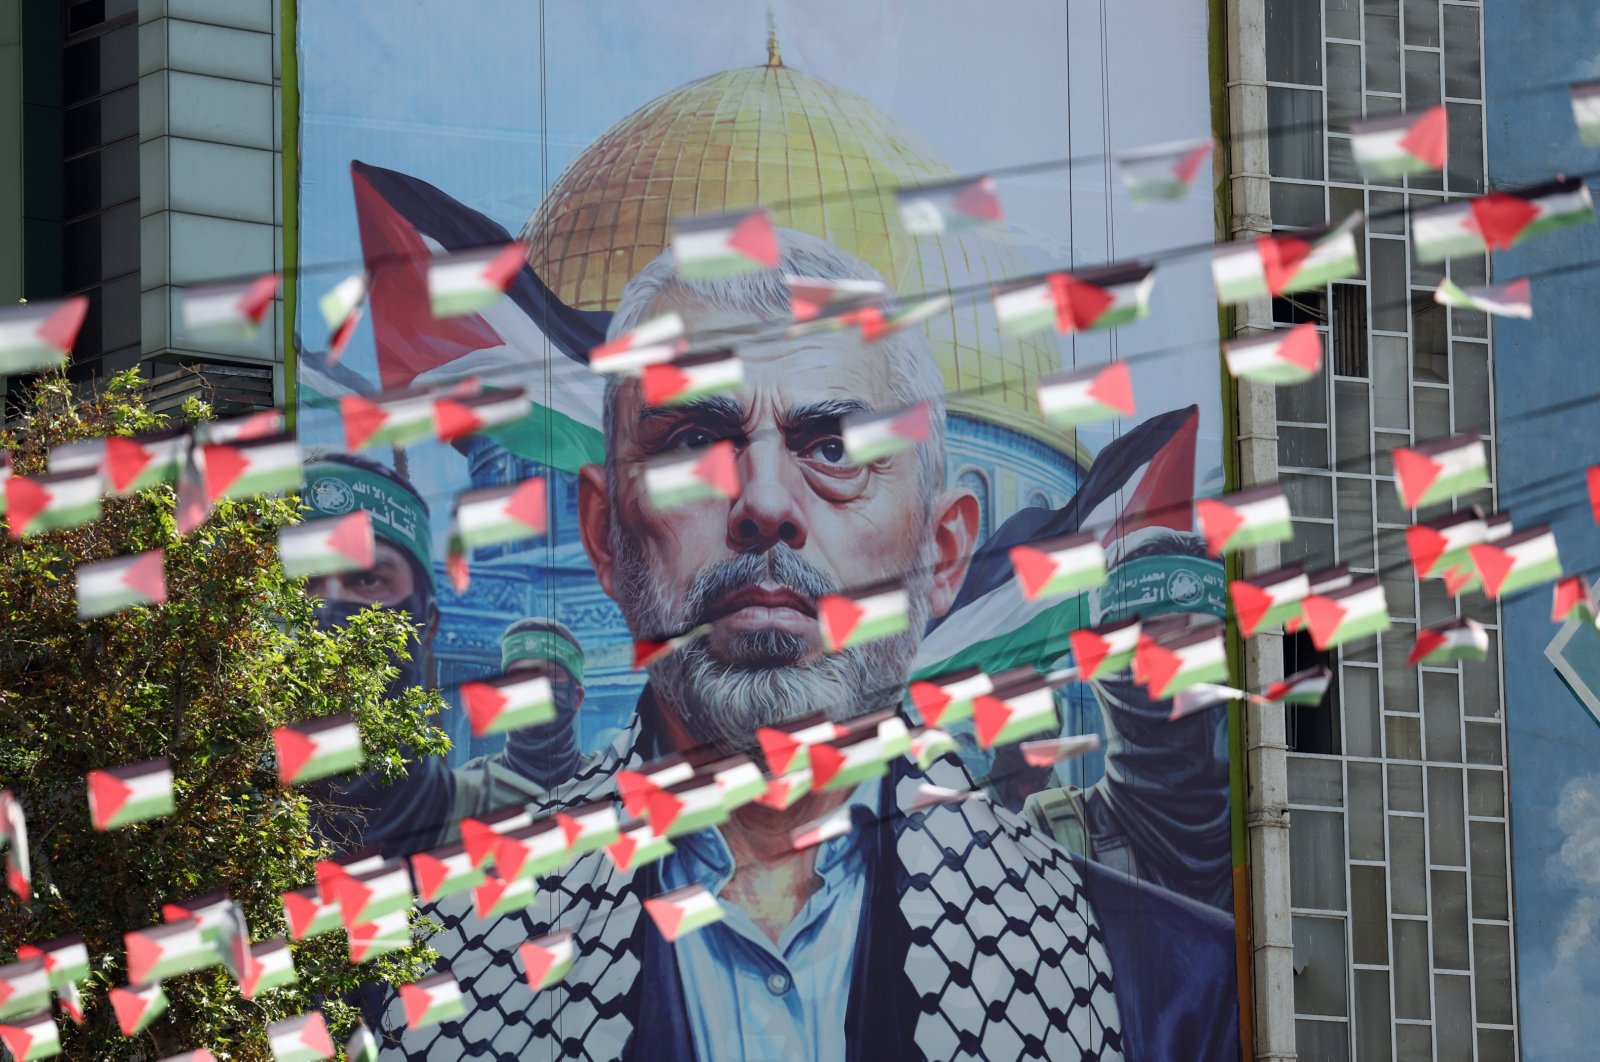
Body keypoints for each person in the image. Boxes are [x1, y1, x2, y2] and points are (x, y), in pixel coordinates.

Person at [376, 230, 1239, 1060]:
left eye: (833, 448)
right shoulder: (426, 970)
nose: (762, 500)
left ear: (941, 555)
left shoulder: (1163, 990)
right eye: (693, 443)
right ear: (605, 534)